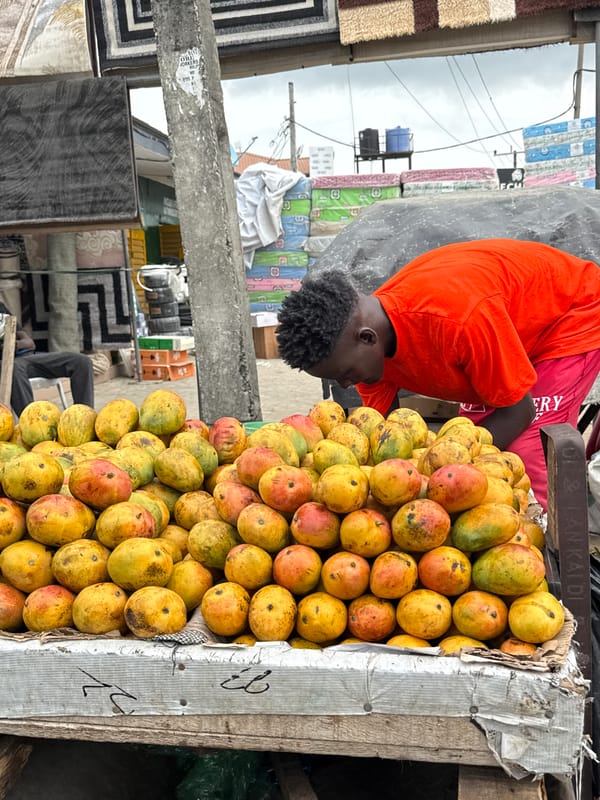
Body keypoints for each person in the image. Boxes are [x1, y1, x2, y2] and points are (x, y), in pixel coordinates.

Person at [276, 238, 600, 510]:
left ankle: (551, 556)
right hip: (504, 330)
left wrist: (435, 479)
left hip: (570, 316)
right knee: (468, 439)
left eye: (346, 374)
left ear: (367, 338)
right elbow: (385, 436)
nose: (346, 384)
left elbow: (519, 411)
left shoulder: (456, 320)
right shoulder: (370, 354)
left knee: (526, 450)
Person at [0, 302, 95, 415]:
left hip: (27, 357)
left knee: (82, 362)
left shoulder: (1, 307)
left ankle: (83, 419)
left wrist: (15, 345)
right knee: (13, 368)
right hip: (7, 363)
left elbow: (30, 343)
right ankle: (32, 424)